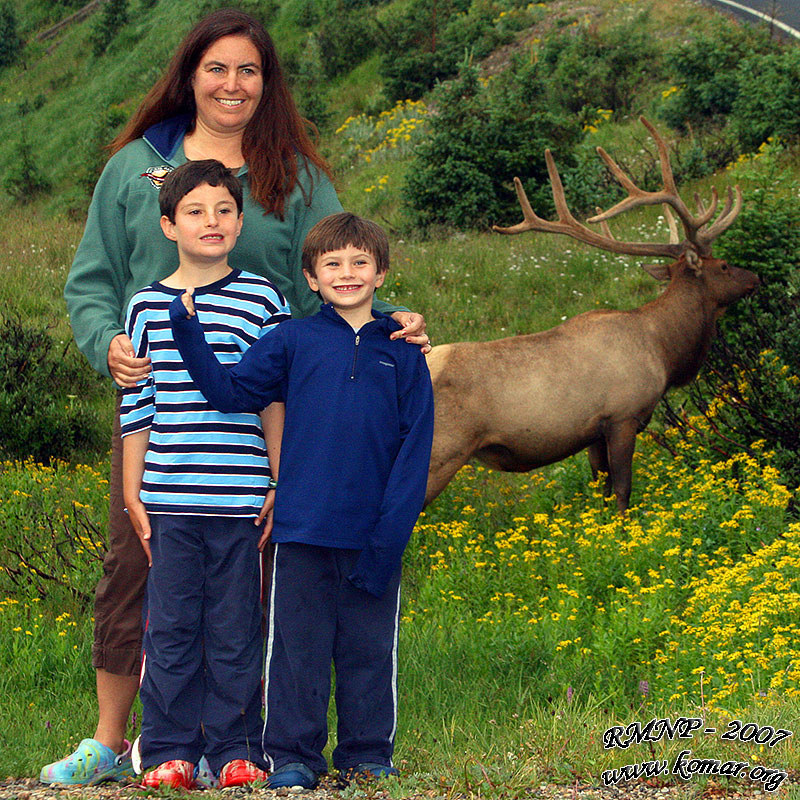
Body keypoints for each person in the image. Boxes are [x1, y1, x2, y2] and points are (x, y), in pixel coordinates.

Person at [44, 8, 429, 787]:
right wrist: (109, 347)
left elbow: (336, 275)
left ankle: (233, 742)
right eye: (216, 68)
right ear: (190, 74)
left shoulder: (297, 174)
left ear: (267, 83)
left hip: (267, 420)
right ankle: (112, 740)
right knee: (134, 568)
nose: (232, 84)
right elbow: (91, 283)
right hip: (158, 415)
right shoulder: (134, 167)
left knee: (245, 586)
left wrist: (392, 322)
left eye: (249, 70)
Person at [170, 212, 434, 789]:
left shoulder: (405, 353)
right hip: (303, 530)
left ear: (381, 272)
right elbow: (231, 391)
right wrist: (186, 331)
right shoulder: (291, 340)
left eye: (360, 262)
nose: (347, 273)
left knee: (368, 652)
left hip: (374, 535)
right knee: (295, 652)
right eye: (332, 264)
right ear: (311, 278)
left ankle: (366, 754)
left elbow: (416, 451)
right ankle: (292, 756)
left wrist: (391, 535)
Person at [122, 160, 281, 789]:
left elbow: (274, 398)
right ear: (168, 225)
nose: (209, 222)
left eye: (222, 211)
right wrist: (134, 492)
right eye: (194, 211)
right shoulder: (145, 305)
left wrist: (277, 480)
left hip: (241, 496)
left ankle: (236, 750)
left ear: (240, 224)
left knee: (237, 629)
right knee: (172, 631)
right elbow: (138, 404)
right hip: (168, 497)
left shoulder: (264, 299)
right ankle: (168, 753)